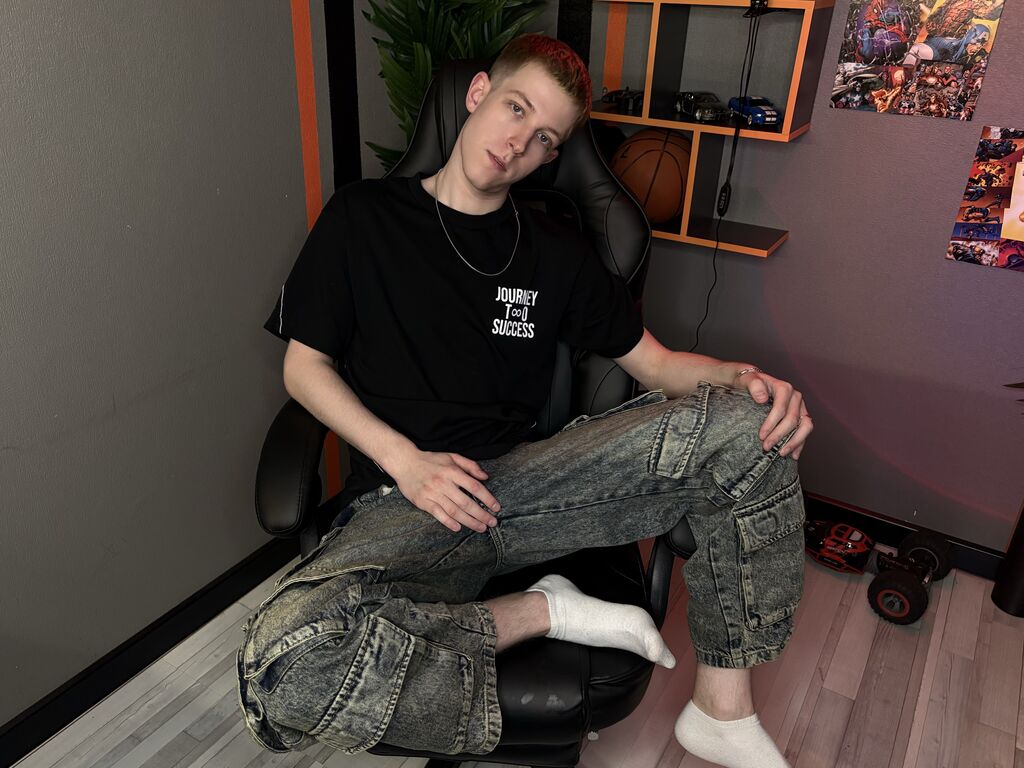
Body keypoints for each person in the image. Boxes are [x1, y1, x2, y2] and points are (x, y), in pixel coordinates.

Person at [238, 34, 812, 768]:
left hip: (530, 487)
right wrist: (406, 463)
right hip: (402, 504)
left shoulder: (555, 250)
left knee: (754, 424)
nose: (519, 143)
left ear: (551, 157)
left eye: (545, 138)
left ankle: (722, 711)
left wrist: (747, 378)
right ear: (478, 93)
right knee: (281, 665)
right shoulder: (362, 216)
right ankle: (545, 609)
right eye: (515, 109)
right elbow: (303, 367)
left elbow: (659, 364)